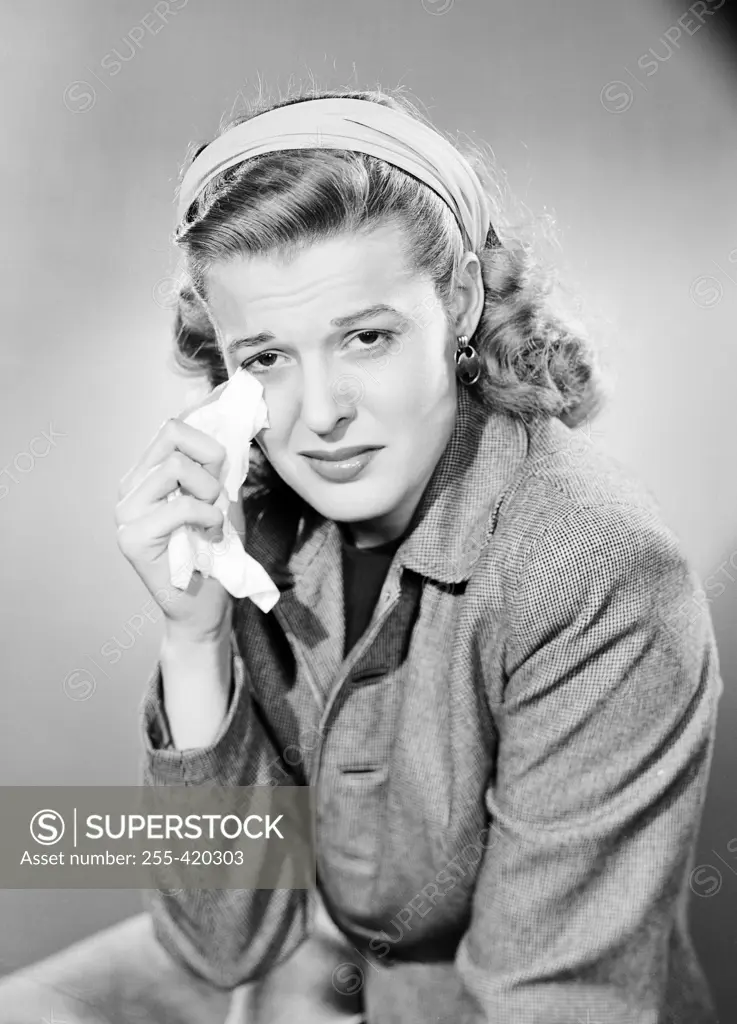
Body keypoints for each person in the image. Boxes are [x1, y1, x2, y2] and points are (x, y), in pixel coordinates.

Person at [0, 87, 723, 1024]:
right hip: (314, 960)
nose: (321, 414)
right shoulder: (257, 524)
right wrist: (192, 642)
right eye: (266, 358)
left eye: (366, 337)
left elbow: (556, 1001)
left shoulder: (598, 569)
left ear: (458, 300)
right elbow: (221, 945)